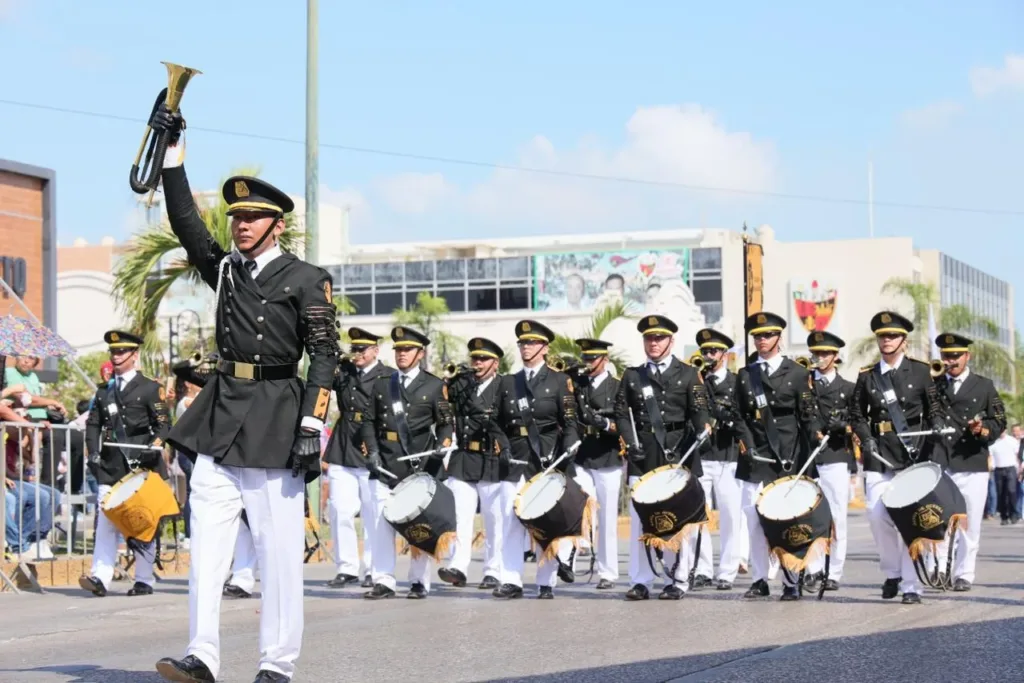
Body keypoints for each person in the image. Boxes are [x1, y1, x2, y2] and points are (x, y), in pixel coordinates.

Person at [151, 105, 339, 683]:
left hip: (278, 418)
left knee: (280, 555)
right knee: (207, 545)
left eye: (255, 217)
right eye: (237, 217)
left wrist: (313, 426)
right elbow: (186, 224)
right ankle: (202, 655)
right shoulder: (227, 270)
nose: (243, 225)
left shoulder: (307, 278)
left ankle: (277, 664)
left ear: (277, 223)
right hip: (222, 413)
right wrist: (172, 154)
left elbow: (324, 356)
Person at [849, 311, 945, 605]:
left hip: (913, 455)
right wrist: (864, 437)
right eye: (882, 336)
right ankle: (892, 572)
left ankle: (911, 586)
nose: (886, 340)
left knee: (908, 520)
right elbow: (856, 414)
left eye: (892, 336)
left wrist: (938, 424)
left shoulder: (921, 372)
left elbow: (935, 409)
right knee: (877, 516)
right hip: (879, 454)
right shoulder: (867, 376)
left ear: (904, 340)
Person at [614, 314, 712, 601]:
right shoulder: (633, 376)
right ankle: (641, 580)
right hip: (645, 452)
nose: (653, 343)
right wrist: (631, 443)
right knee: (640, 519)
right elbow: (621, 413)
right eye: (649, 338)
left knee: (679, 520)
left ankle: (678, 579)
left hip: (680, 449)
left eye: (659, 338)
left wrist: (704, 429)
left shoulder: (687, 374)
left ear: (671, 340)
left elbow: (699, 410)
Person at [359, 326, 456, 600]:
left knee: (420, 526)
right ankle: (384, 580)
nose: (401, 354)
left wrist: (444, 444)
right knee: (380, 525)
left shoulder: (435, 385)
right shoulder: (382, 384)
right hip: (387, 464)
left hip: (420, 465)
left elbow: (447, 423)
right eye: (398, 349)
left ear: (420, 353)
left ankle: (418, 581)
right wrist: (371, 452)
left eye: (407, 350)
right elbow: (368, 423)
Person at [732, 312, 823, 601]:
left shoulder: (796, 373)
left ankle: (791, 580)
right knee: (754, 521)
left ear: (778, 338)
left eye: (767, 335)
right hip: (756, 459)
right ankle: (760, 578)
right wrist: (747, 444)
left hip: (788, 457)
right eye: (757, 336)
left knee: (788, 523)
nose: (762, 340)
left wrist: (817, 436)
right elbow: (738, 415)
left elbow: (807, 416)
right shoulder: (746, 375)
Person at [491, 319, 581, 599]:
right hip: (516, 458)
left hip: (547, 457)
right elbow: (494, 421)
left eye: (531, 343)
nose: (525, 347)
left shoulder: (558, 381)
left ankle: (546, 581)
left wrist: (567, 451)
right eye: (522, 343)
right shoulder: (508, 382)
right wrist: (503, 445)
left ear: (544, 347)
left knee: (547, 521)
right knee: (510, 520)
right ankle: (511, 580)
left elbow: (569, 423)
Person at [81, 330, 170, 597]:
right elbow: (93, 424)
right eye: (113, 352)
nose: (116, 356)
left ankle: (144, 579)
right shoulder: (103, 391)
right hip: (111, 466)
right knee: (106, 521)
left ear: (134, 355)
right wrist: (92, 454)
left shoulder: (151, 388)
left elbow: (164, 426)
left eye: (121, 352)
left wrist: (153, 447)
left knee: (143, 522)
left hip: (142, 466)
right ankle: (100, 577)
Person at [928, 332, 1006, 592]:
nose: (950, 360)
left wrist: (982, 429)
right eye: (945, 356)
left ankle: (964, 573)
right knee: (937, 520)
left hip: (971, 460)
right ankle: (938, 568)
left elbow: (999, 421)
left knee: (968, 522)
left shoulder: (983, 385)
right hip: (940, 460)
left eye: (955, 355)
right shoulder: (932, 384)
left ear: (966, 356)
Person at [323, 327, 393, 589]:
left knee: (373, 513)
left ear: (375, 350)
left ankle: (373, 569)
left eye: (363, 349)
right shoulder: (344, 372)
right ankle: (347, 567)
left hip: (371, 445)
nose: (358, 354)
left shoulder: (388, 376)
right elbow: (321, 381)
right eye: (355, 349)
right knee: (340, 510)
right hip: (343, 445)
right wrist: (329, 354)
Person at [438, 337, 506, 590]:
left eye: (483, 359)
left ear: (495, 363)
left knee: (494, 518)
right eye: (474, 358)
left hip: (491, 459)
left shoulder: (503, 386)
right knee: (459, 517)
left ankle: (494, 570)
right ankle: (458, 566)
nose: (477, 363)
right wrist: (449, 379)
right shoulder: (462, 384)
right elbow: (442, 397)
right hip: (464, 458)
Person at [801, 331, 856, 592]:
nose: (820, 358)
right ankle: (813, 569)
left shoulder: (848, 388)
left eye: (825, 353)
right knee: (808, 515)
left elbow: (857, 422)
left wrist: (843, 425)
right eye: (817, 353)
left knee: (836, 516)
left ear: (835, 356)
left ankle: (833, 571)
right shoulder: (804, 384)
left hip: (835, 456)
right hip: (809, 456)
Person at [569, 338, 623, 590]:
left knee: (607, 516)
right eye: (586, 359)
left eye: (593, 359)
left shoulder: (617, 387)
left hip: (607, 457)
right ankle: (569, 559)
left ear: (605, 359)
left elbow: (625, 422)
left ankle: (608, 572)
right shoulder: (577, 384)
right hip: (582, 456)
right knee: (578, 508)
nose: (588, 363)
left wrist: (605, 424)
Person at [692, 327, 744, 591]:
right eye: (705, 351)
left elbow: (743, 418)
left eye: (713, 351)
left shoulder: (736, 383)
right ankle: (702, 569)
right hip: (702, 457)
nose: (709, 355)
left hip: (728, 455)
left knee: (730, 515)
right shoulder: (696, 380)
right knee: (699, 515)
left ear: (724, 354)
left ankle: (727, 570)